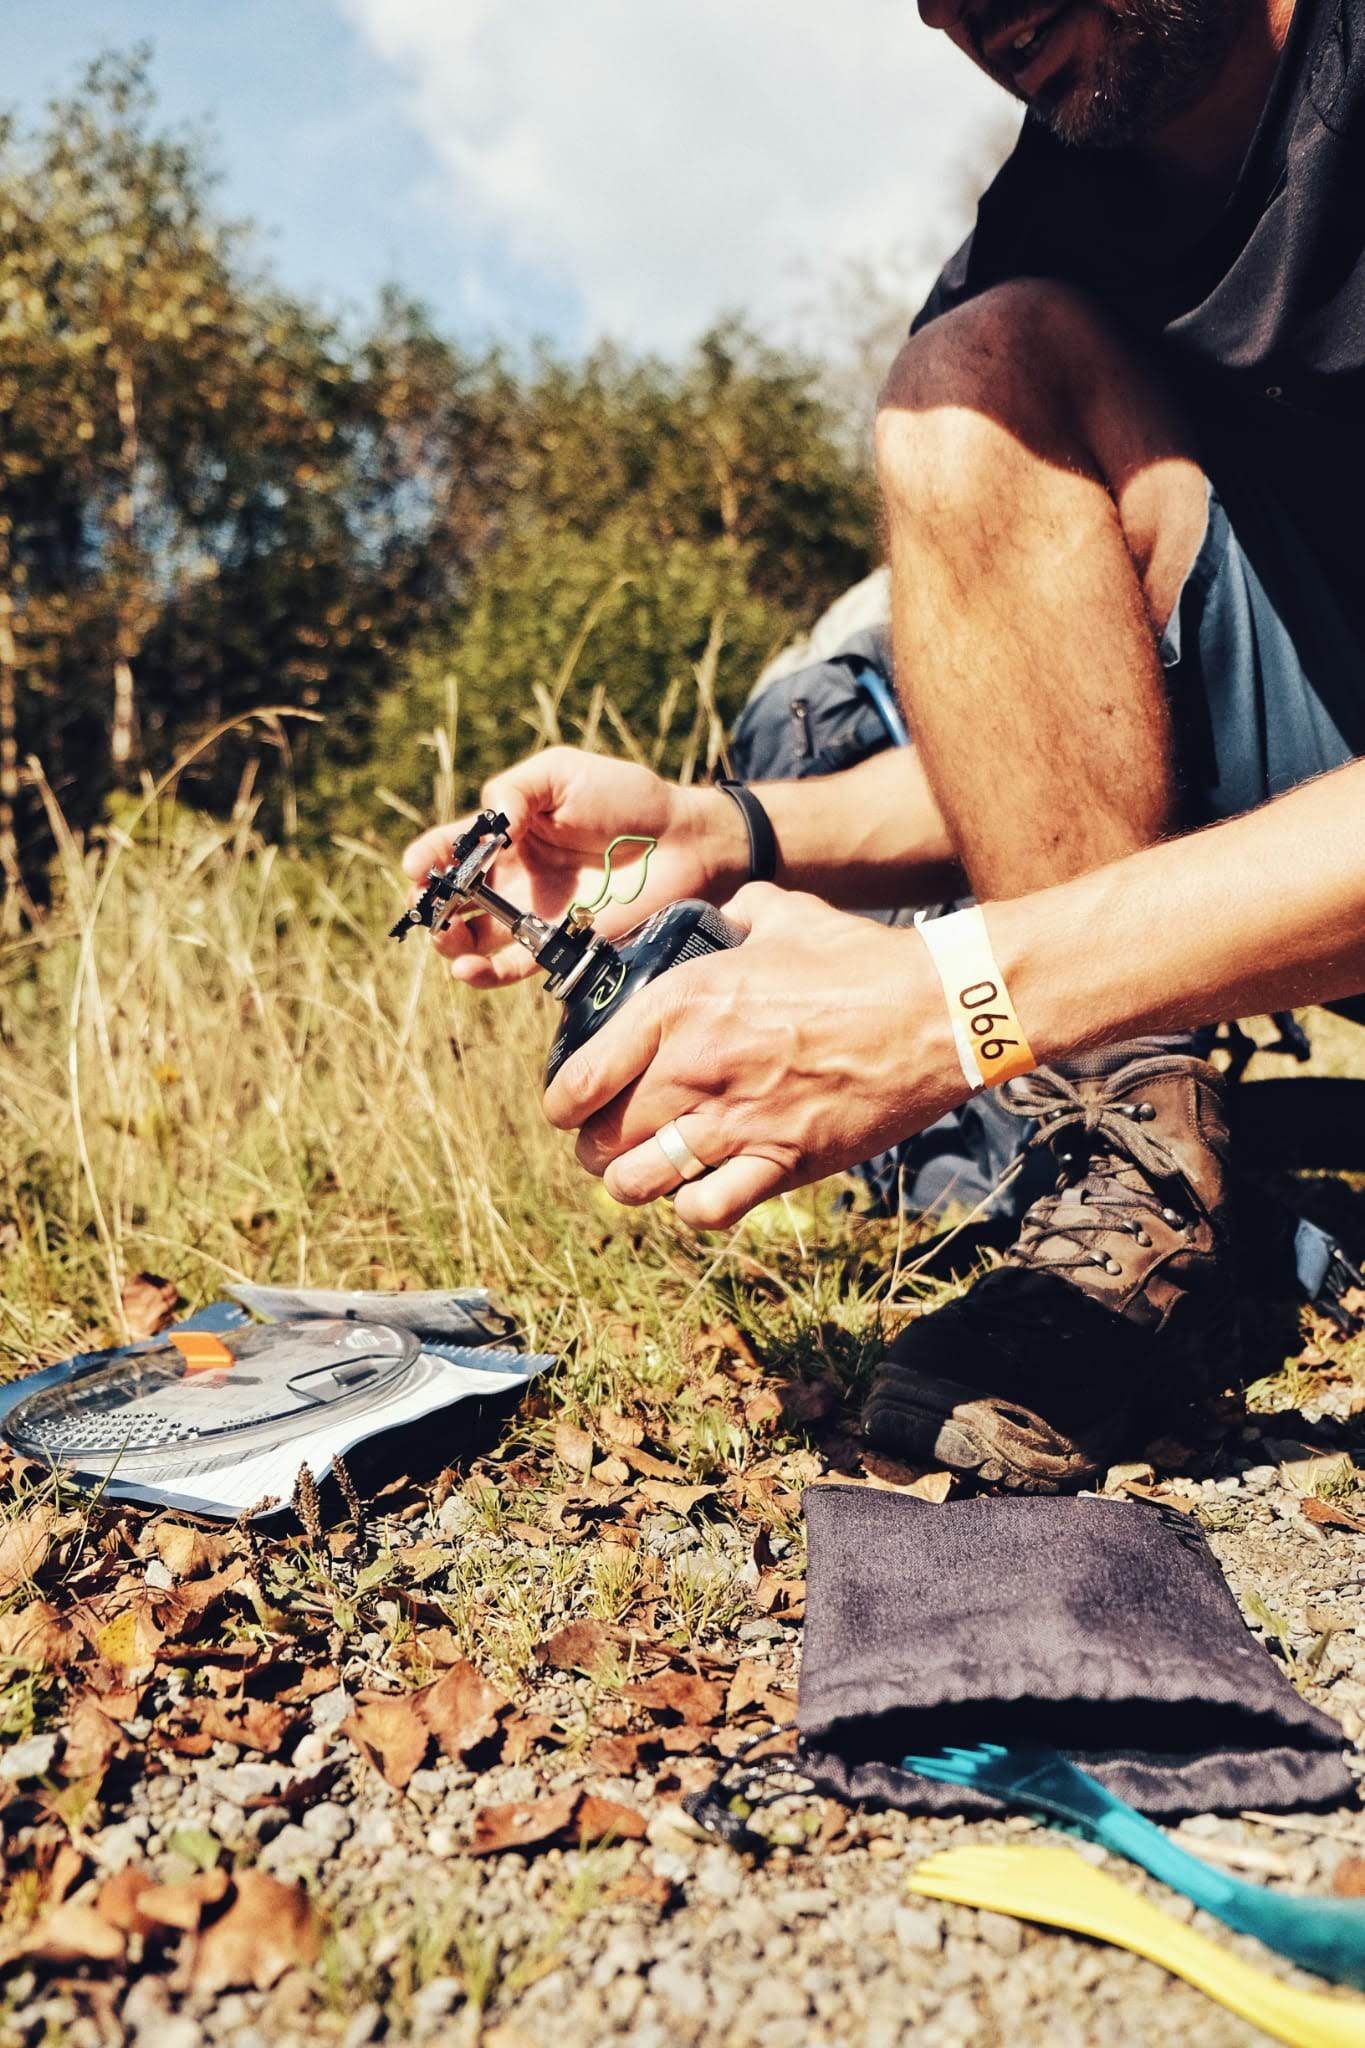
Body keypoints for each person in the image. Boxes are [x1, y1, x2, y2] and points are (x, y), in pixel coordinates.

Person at [404, 0, 1365, 1493]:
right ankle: (1144, 1180)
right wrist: (725, 833)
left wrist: (952, 1006)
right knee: (974, 383)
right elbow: (1101, 749)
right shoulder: (1057, 222)